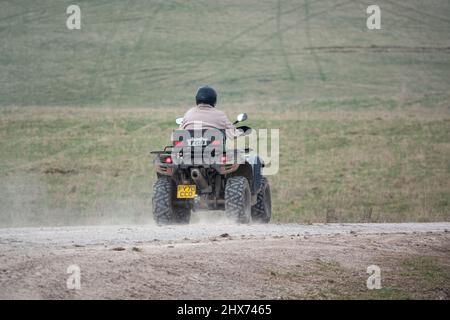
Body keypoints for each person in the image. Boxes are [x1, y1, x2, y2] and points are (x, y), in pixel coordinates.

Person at [179, 86, 244, 139]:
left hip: (189, 153)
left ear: (197, 99)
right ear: (214, 101)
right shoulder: (219, 115)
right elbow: (234, 134)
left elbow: (176, 136)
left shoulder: (189, 113)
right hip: (216, 153)